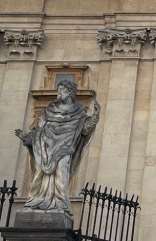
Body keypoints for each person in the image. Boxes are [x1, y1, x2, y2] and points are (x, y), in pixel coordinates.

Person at [16, 79, 100, 215]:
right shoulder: (49, 109)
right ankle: (36, 199)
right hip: (45, 144)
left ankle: (60, 200)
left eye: (62, 90)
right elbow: (39, 128)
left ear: (71, 92)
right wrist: (27, 138)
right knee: (40, 172)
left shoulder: (78, 111)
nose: (59, 93)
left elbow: (84, 129)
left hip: (65, 145)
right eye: (58, 90)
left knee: (62, 169)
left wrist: (95, 116)